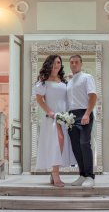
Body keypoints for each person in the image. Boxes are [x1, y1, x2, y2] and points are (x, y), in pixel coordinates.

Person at [33, 54, 76, 187]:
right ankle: (56, 174)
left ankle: (54, 172)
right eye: (54, 63)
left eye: (58, 62)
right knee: (57, 143)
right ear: (49, 64)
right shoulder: (43, 81)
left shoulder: (63, 80)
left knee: (62, 144)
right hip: (52, 118)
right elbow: (39, 99)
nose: (56, 65)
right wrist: (50, 112)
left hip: (64, 117)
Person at [67, 55, 97, 187]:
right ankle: (82, 175)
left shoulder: (87, 77)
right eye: (72, 62)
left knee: (84, 144)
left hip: (84, 113)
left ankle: (90, 177)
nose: (74, 64)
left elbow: (93, 96)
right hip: (71, 116)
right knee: (76, 147)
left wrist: (87, 114)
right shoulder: (70, 81)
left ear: (81, 64)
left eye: (76, 62)